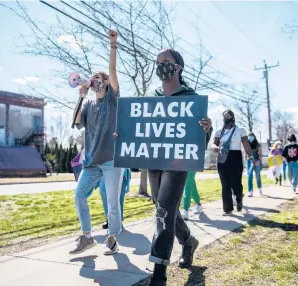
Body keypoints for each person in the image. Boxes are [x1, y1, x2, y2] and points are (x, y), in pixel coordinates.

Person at [137, 49, 213, 286]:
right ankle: (188, 241)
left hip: (178, 162)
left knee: (164, 212)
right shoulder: (152, 97)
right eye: (158, 62)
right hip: (154, 160)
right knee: (162, 206)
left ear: (178, 67)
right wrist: (125, 133)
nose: (161, 66)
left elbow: (197, 139)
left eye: (166, 62)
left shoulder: (191, 97)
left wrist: (206, 129)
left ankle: (159, 272)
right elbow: (142, 128)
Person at [69, 29, 123, 256]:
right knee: (79, 195)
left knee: (112, 203)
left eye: (101, 79)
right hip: (91, 162)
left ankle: (112, 239)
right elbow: (76, 121)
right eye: (95, 79)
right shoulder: (89, 104)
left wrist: (113, 45)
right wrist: (80, 96)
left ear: (108, 83)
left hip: (111, 160)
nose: (97, 81)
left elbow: (112, 70)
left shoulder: (112, 98)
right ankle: (87, 237)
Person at [212, 109, 253, 215]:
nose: (226, 119)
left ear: (233, 117)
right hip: (222, 158)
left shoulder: (240, 130)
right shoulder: (219, 131)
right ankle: (228, 209)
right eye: (224, 117)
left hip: (236, 157)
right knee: (225, 184)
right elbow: (214, 144)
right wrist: (215, 147)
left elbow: (246, 145)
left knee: (236, 183)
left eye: (228, 116)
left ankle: (239, 197)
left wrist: (251, 157)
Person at [245, 132, 263, 197]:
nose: (250, 138)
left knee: (257, 176)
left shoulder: (257, 145)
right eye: (249, 136)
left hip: (256, 161)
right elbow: (245, 153)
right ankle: (250, 191)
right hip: (249, 161)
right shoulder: (246, 144)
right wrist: (246, 161)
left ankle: (259, 188)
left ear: (254, 137)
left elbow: (260, 154)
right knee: (249, 176)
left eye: (251, 136)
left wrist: (259, 161)